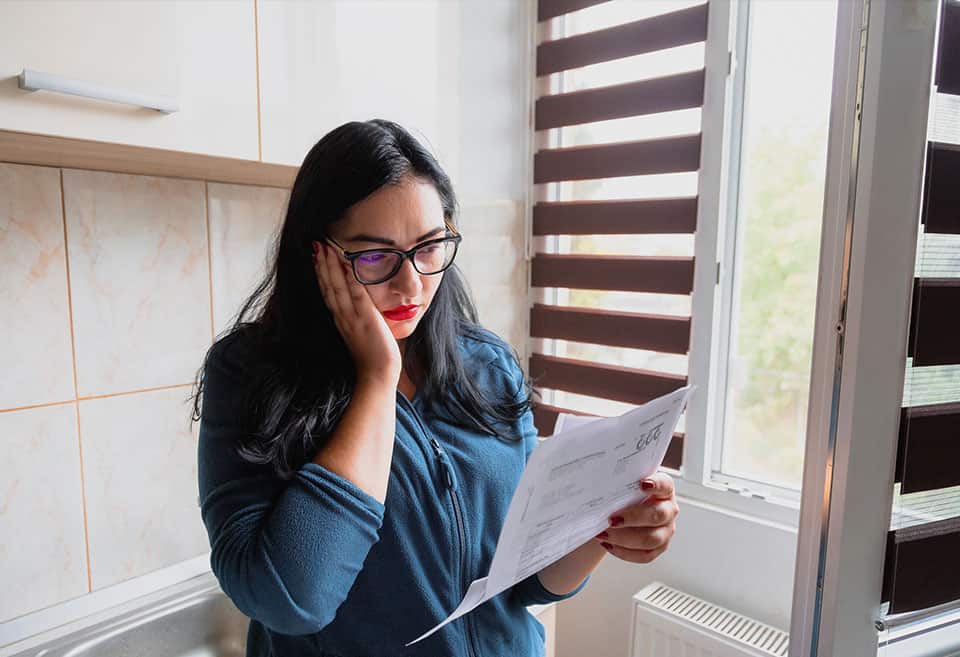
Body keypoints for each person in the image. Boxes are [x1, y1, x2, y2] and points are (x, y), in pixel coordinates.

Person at [190, 119, 680, 657]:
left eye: (429, 247)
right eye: (374, 256)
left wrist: (607, 528)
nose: (412, 284)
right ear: (319, 257)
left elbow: (525, 584)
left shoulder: (486, 365)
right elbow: (292, 601)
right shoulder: (249, 375)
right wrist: (376, 378)